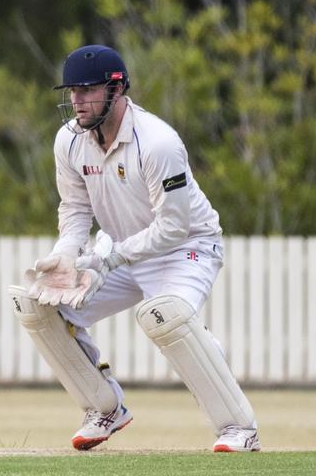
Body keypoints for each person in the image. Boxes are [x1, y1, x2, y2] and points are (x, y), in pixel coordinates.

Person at [13, 44, 260, 453]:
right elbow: (75, 207)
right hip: (122, 249)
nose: (76, 100)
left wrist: (109, 258)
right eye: (72, 91)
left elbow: (173, 226)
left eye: (87, 90)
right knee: (43, 306)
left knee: (169, 319)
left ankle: (239, 428)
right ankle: (103, 407)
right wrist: (67, 254)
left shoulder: (158, 142)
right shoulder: (69, 140)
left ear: (117, 89)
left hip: (185, 247)